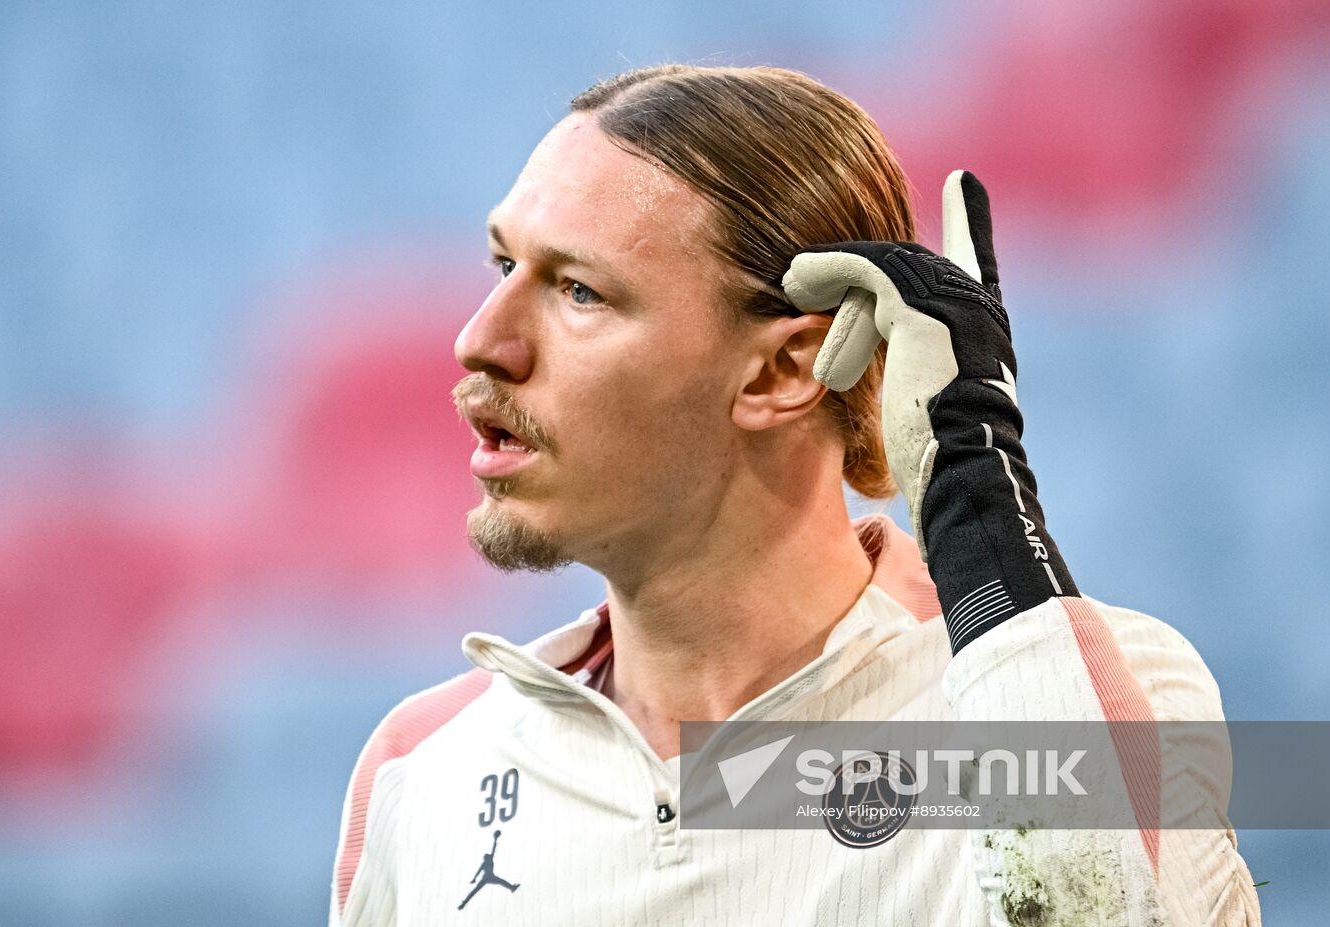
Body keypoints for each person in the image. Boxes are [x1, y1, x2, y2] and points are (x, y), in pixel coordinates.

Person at [328, 64, 1260, 925]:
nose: (480, 340)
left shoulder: (1102, 686)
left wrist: (977, 499)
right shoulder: (419, 766)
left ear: (784, 370)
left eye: (579, 291)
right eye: (504, 267)